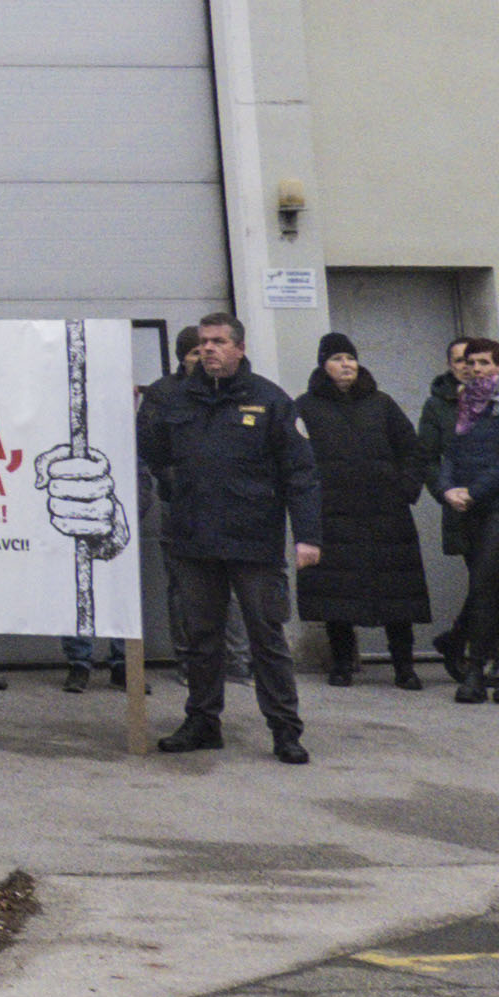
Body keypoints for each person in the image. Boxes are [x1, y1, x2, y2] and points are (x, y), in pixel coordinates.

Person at [140, 315, 321, 763]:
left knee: (266, 636)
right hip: (194, 536)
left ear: (239, 348)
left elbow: (301, 473)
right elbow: (153, 452)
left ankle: (284, 729)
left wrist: (307, 536)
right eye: (203, 343)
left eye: (219, 342)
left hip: (252, 538)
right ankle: (202, 722)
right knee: (201, 638)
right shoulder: (175, 398)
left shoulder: (269, 400)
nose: (209, 350)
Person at [290, 337, 433, 688]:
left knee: (397, 593)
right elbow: (295, 459)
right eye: (337, 358)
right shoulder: (305, 408)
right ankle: (341, 664)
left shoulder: (382, 404)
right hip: (333, 515)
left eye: (351, 358)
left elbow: (412, 451)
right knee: (338, 594)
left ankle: (404, 666)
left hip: (386, 515)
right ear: (323, 364)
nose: (346, 364)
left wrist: (405, 489)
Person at [426, 340, 499, 705]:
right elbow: (451, 453)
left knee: (482, 583)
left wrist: (473, 491)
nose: (476, 369)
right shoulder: (467, 404)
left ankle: (476, 670)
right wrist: (448, 490)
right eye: (470, 362)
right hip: (474, 506)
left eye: (484, 362)